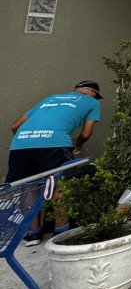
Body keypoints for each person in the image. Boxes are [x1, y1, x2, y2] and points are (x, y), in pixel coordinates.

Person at [6, 80, 102, 245]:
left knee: (29, 186)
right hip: (54, 143)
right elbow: (86, 134)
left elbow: (14, 126)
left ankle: (32, 234)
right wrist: (77, 144)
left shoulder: (50, 98)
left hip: (20, 144)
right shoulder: (92, 102)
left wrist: (30, 141)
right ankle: (61, 231)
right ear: (91, 92)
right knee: (61, 184)